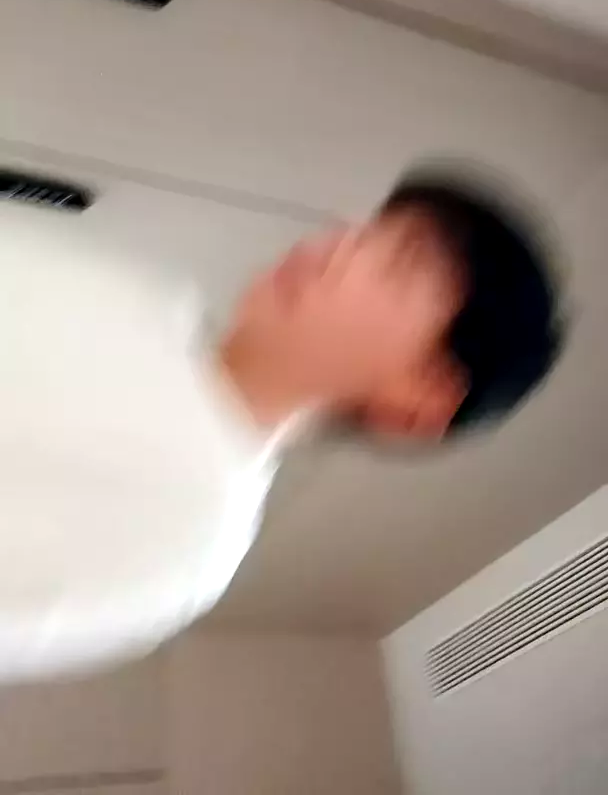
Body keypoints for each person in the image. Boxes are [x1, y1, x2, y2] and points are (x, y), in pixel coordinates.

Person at [0, 167, 563, 681]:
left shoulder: (187, 539)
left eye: (400, 265)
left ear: (417, 395)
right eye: (369, 231)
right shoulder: (155, 298)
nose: (340, 244)